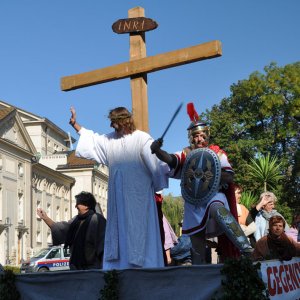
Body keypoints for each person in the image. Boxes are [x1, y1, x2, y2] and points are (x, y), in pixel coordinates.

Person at [151, 102, 252, 264]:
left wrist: (210, 177)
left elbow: (228, 176)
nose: (199, 139)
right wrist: (158, 152)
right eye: (196, 136)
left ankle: (245, 248)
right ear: (191, 137)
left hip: (213, 195)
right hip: (194, 202)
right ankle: (199, 271)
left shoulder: (217, 153)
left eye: (202, 135)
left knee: (218, 209)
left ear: (207, 135)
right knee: (196, 244)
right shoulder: (186, 153)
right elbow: (172, 160)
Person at [69, 106, 169, 269]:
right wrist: (76, 125)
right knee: (119, 231)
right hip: (118, 197)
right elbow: (93, 140)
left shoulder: (142, 139)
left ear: (125, 121)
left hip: (139, 196)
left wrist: (156, 185)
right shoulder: (110, 140)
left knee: (140, 229)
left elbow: (155, 166)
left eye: (115, 123)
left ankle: (146, 268)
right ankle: (119, 269)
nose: (112, 126)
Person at [37, 191, 106, 270]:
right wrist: (45, 218)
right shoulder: (76, 220)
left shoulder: (98, 220)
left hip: (92, 269)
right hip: (75, 267)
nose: (75, 206)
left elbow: (104, 246)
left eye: (78, 203)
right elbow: (61, 229)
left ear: (86, 206)